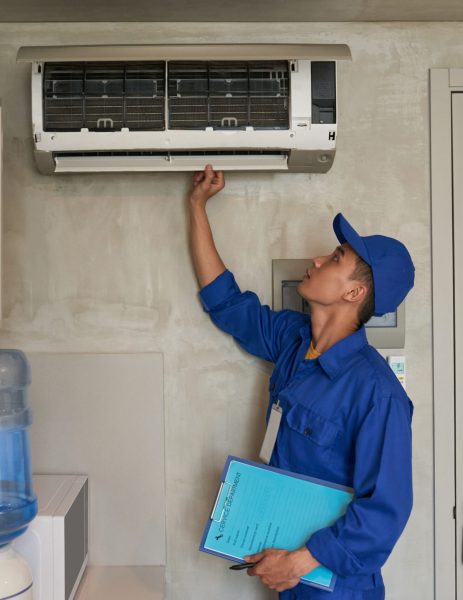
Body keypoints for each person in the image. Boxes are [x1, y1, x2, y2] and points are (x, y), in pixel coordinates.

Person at [187, 165, 414, 600]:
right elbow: (227, 303)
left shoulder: (377, 394)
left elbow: (385, 512)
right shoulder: (293, 339)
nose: (317, 261)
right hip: (288, 578)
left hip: (336, 587)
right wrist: (197, 207)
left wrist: (297, 563)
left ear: (354, 294)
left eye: (335, 259)